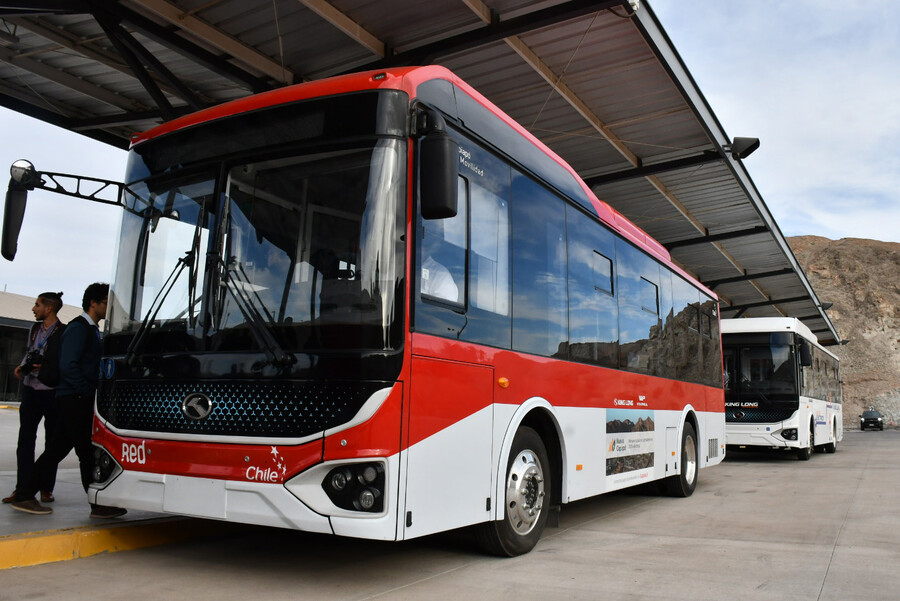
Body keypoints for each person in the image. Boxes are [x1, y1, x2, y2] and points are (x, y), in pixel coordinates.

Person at [9, 283, 126, 518]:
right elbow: (68, 365)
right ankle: (96, 504)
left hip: (76, 398)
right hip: (74, 399)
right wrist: (85, 391)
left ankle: (25, 494)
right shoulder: (78, 328)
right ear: (93, 303)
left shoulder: (91, 329)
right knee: (84, 452)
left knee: (59, 450)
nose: (109, 308)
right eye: (106, 303)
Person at [2, 292, 66, 505]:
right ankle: (22, 488)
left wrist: (45, 366)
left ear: (49, 308)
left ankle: (46, 488)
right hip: (31, 390)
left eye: (37, 305)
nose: (33, 308)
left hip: (51, 391)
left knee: (52, 443)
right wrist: (23, 366)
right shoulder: (34, 329)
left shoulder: (63, 332)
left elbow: (61, 361)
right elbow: (30, 352)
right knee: (25, 441)